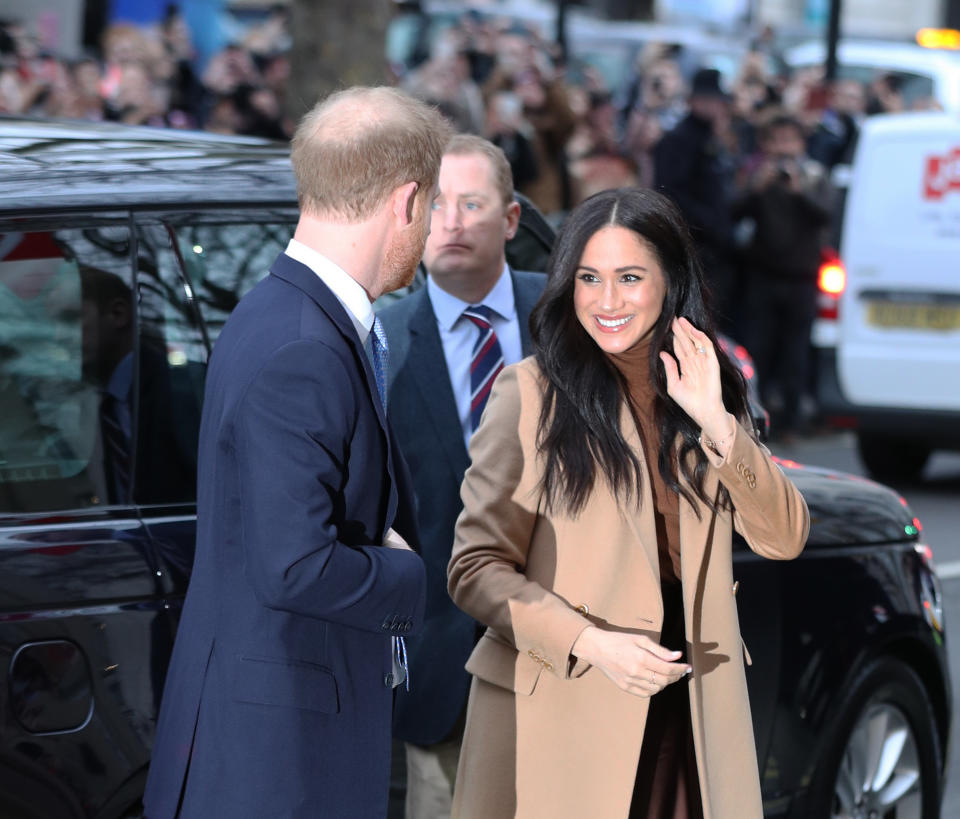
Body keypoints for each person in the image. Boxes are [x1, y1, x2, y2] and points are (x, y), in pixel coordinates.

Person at [446, 187, 810, 818]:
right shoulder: (529, 393)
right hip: (566, 708)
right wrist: (588, 641)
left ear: (670, 283)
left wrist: (718, 425)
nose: (606, 301)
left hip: (690, 712)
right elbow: (475, 569)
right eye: (589, 278)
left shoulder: (703, 387)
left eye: (630, 277)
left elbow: (784, 538)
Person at [143, 86, 451, 819]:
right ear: (406, 201)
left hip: (277, 737)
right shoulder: (303, 343)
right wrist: (404, 572)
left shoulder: (276, 309)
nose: (433, 226)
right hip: (279, 763)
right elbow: (295, 564)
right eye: (434, 206)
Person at [379, 134, 545, 818]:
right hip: (440, 671)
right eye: (435, 204)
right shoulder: (379, 339)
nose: (449, 221)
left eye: (470, 204)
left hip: (566, 658)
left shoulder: (568, 319)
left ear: (509, 220)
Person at [732, 112, 836, 441]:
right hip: (762, 276)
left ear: (801, 143)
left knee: (795, 352)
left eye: (790, 140)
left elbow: (826, 215)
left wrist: (798, 192)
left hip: (801, 278)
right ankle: (752, 416)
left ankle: (791, 420)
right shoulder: (754, 175)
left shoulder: (816, 176)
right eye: (777, 140)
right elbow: (731, 212)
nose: (784, 147)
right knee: (758, 349)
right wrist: (756, 189)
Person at [653, 68, 739, 332]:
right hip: (693, 245)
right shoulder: (678, 140)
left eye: (716, 100)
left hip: (715, 248)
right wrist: (710, 223)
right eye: (706, 99)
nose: (713, 106)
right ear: (692, 101)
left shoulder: (713, 139)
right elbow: (670, 193)